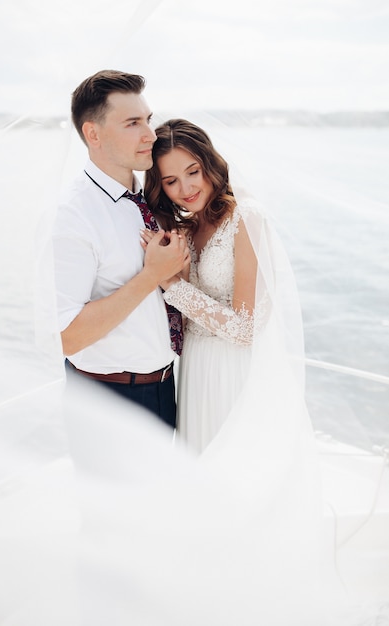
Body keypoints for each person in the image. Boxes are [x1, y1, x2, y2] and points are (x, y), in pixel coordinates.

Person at [143, 118, 303, 453]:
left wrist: (170, 282)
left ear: (209, 164)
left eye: (193, 171)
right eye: (171, 181)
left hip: (234, 371)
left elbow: (245, 329)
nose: (186, 188)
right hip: (195, 369)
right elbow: (187, 320)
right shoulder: (187, 229)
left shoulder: (247, 218)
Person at [52, 71, 189, 428]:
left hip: (165, 388)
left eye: (148, 119)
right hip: (108, 403)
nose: (150, 134)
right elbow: (67, 337)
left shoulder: (149, 198)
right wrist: (151, 276)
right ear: (93, 134)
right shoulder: (73, 215)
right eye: (132, 123)